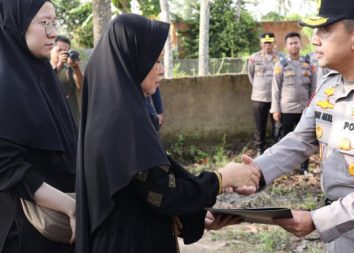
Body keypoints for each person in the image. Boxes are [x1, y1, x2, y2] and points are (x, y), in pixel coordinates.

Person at [234, 0, 354, 252]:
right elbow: (300, 140)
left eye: (324, 31)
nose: (314, 40)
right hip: (340, 227)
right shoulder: (330, 85)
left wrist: (317, 220)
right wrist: (255, 173)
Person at [75, 14, 260, 253]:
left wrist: (196, 211)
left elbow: (146, 187)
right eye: (156, 60)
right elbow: (162, 194)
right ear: (132, 59)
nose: (162, 70)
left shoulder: (113, 113)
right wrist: (222, 179)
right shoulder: (124, 119)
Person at [0, 1, 77, 252]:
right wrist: (70, 207)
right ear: (18, 25)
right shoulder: (4, 83)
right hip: (24, 230)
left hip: (60, 228)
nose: (53, 32)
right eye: (44, 23)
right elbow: (10, 169)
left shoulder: (42, 75)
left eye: (54, 23)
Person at [271, 32, 315, 174]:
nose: (294, 46)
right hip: (287, 109)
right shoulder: (281, 65)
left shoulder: (308, 64)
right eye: (291, 43)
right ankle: (286, 167)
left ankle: (304, 167)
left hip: (304, 109)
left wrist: (312, 107)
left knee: (305, 140)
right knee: (286, 139)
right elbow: (276, 89)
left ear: (300, 44)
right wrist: (276, 109)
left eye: (296, 42)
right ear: (286, 46)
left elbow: (313, 88)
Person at [248, 32, 283, 155]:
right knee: (259, 126)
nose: (268, 45)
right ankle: (260, 148)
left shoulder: (281, 58)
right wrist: (259, 87)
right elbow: (251, 76)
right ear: (261, 43)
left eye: (270, 42)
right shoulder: (254, 58)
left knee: (277, 126)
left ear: (274, 43)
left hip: (276, 98)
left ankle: (277, 149)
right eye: (265, 43)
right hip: (259, 97)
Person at [50, 35, 84, 125]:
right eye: (59, 50)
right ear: (51, 50)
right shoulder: (42, 68)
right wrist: (59, 65)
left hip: (72, 122)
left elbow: (82, 86)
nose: (63, 54)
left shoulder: (70, 70)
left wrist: (76, 67)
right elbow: (46, 82)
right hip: (52, 122)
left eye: (66, 51)